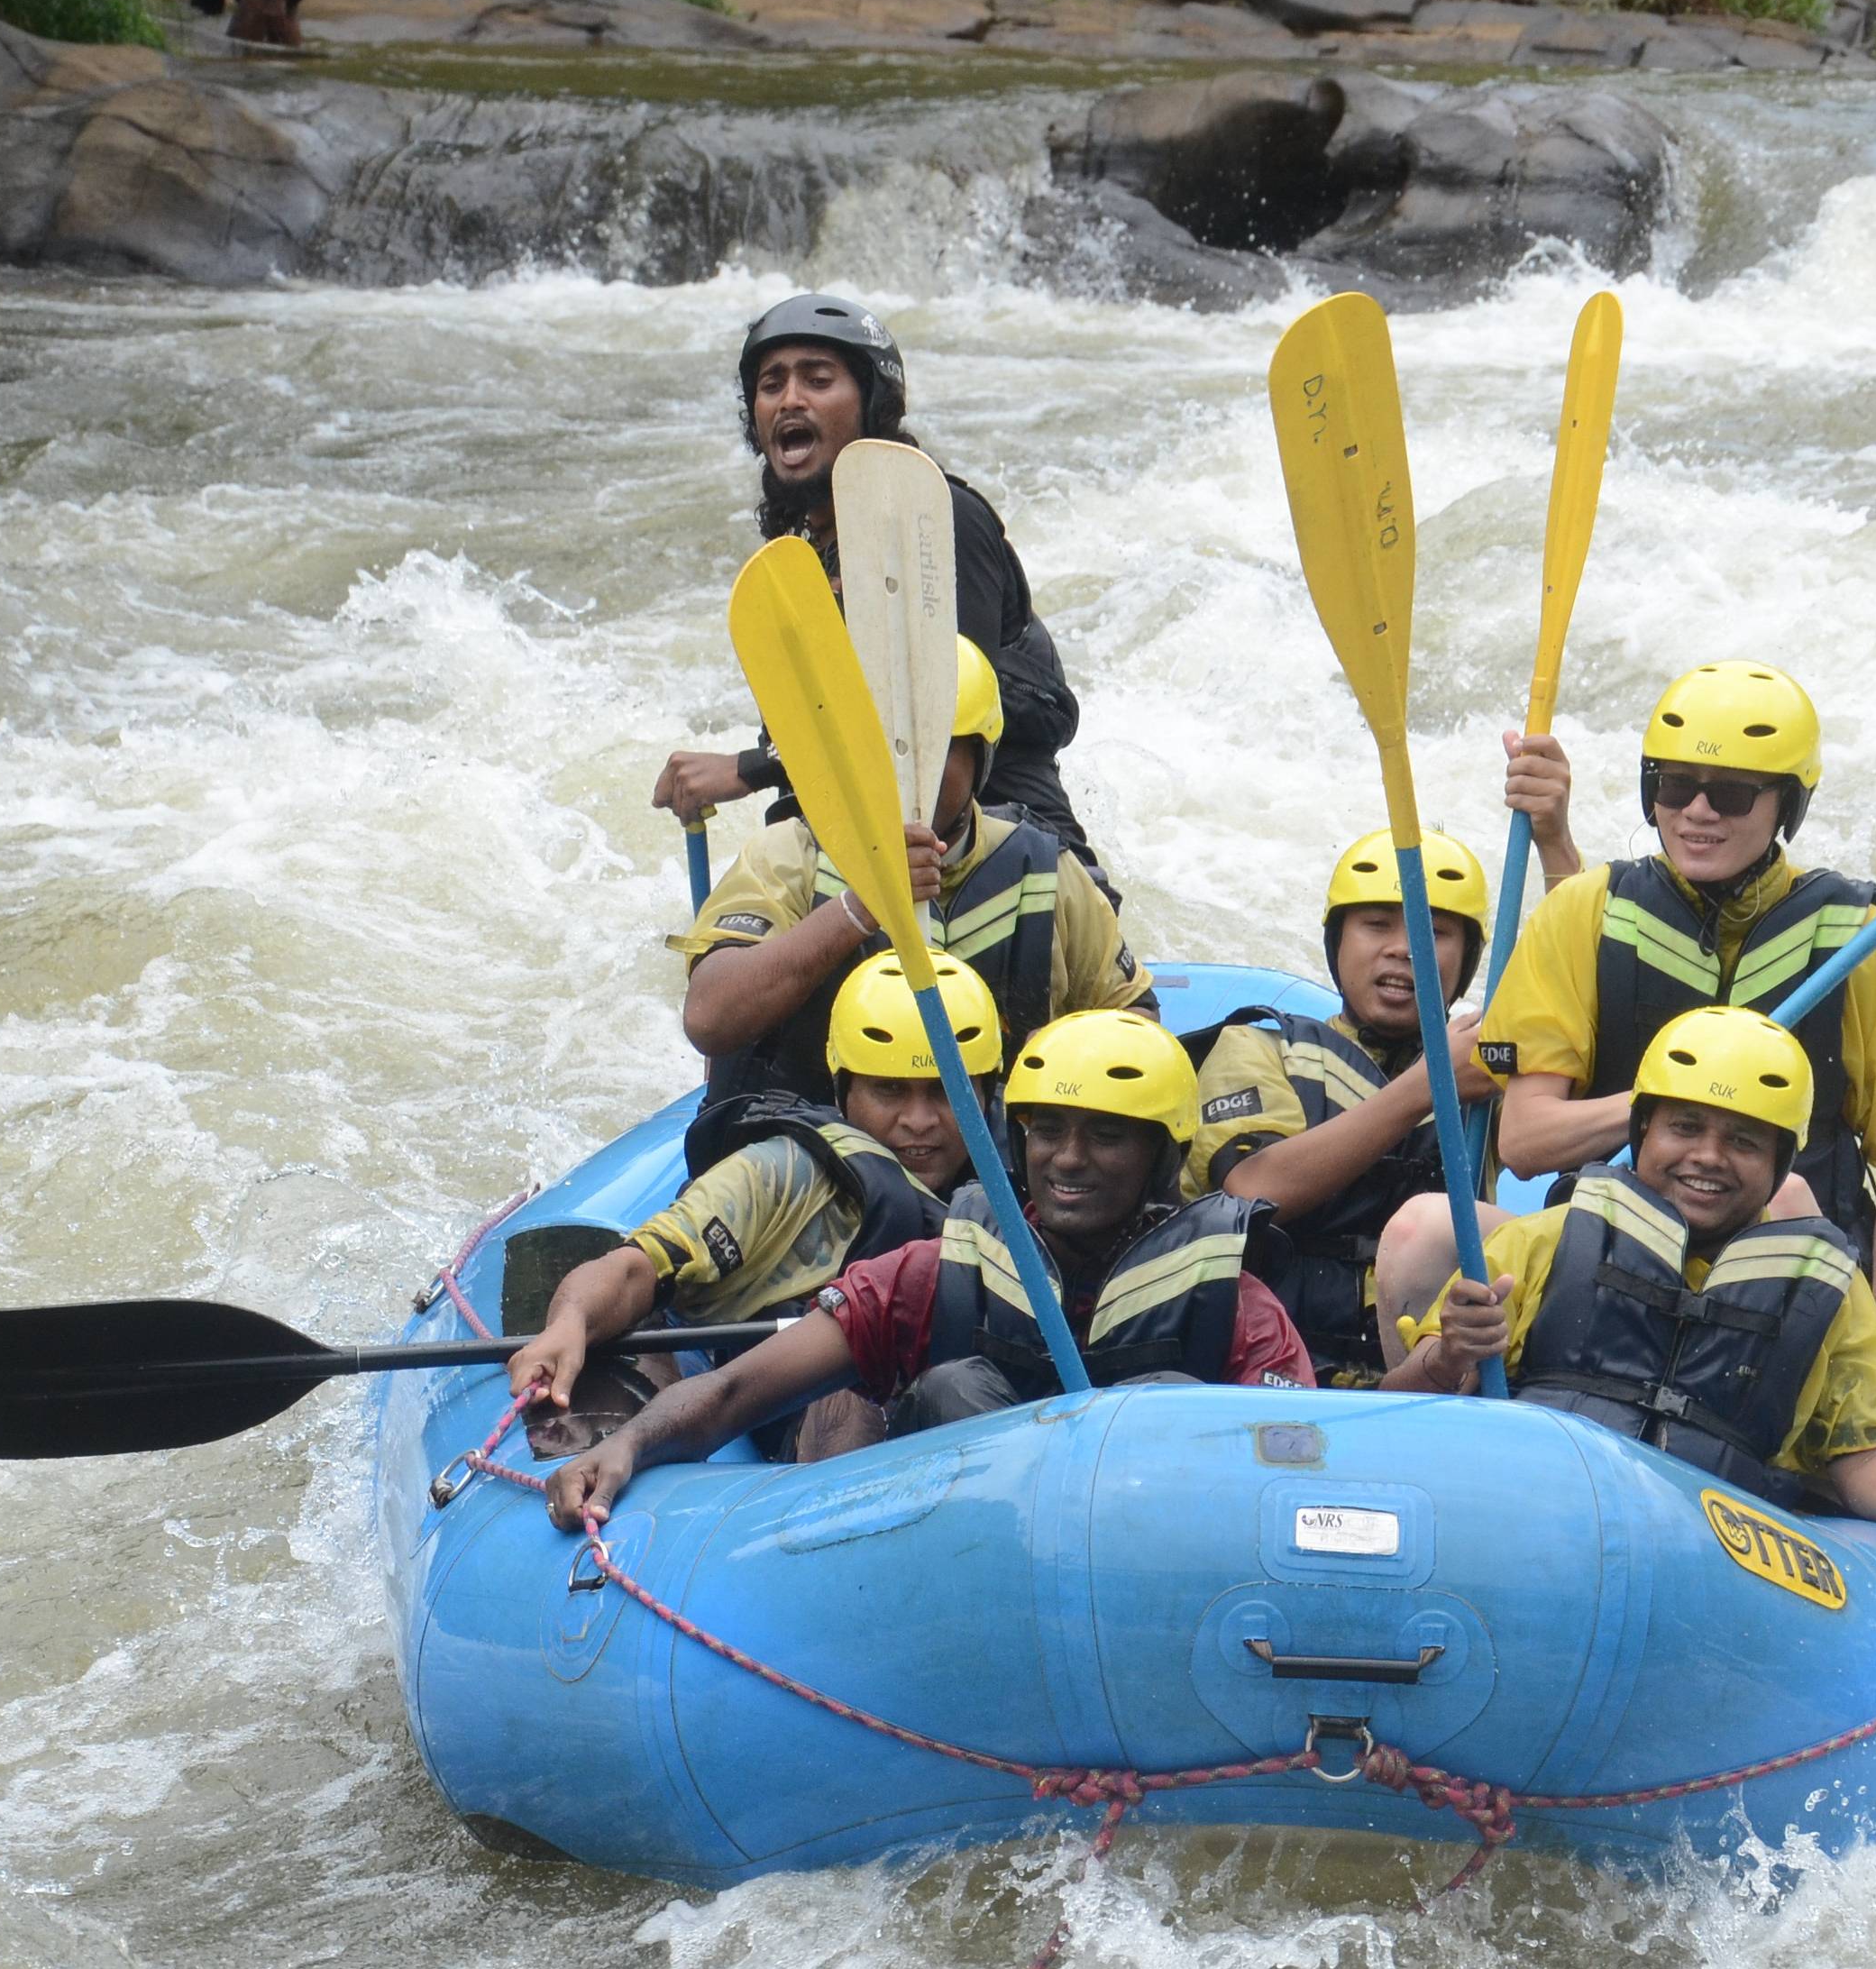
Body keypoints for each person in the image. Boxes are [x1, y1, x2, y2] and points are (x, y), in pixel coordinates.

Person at [545, 1012, 1313, 1526]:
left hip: (1145, 1574)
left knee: (1172, 1404)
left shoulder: (1232, 1303)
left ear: (1163, 1158)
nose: (1069, 1160)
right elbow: (742, 1388)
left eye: (1107, 1138)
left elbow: (1301, 1462)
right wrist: (628, 1446)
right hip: (960, 1572)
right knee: (956, 1389)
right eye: (1049, 1131)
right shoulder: (935, 1272)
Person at [1477, 661, 1876, 1450]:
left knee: (1790, 1200)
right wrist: (1680, 1099)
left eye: (1733, 793)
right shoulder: (1587, 911)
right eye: (1676, 787)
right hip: (1614, 1263)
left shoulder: (1860, 937)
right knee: (1422, 1235)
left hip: (1798, 1275)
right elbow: (1526, 1142)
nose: (1699, 812)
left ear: (1788, 805)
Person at [1391, 1009, 1876, 1611]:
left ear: (1780, 1165)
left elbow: (1863, 1457)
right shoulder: (1539, 1244)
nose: (1709, 1157)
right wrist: (1452, 1354)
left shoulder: (1827, 1295)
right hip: (1534, 1533)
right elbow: (1410, 1399)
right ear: (1642, 1133)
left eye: (1744, 1142)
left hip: (1711, 1566)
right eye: (1684, 1128)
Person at [653, 293, 1099, 866]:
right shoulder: (803, 557)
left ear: (873, 404)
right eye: (771, 385)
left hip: (1016, 874)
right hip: (871, 870)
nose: (790, 399)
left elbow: (941, 729)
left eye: (817, 380)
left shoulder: (937, 520)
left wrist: (748, 769)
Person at [505, 953, 998, 1461]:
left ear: (985, 1090)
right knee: (852, 1397)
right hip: (794, 1416)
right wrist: (570, 1323)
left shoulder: (1029, 1177)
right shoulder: (781, 1174)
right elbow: (634, 1270)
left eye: (944, 1091)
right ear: (844, 1088)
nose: (918, 1121)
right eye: (890, 1090)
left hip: (954, 1403)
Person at [674, 633, 1148, 1113]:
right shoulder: (791, 854)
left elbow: (1136, 1018)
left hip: (1000, 1161)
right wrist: (860, 910)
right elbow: (709, 1018)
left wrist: (1068, 1054)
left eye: (934, 751)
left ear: (981, 758)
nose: (904, 778)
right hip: (818, 1156)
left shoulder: (1044, 869)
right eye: (879, 750)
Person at [1182, 829, 1503, 1384]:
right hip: (1272, 1351)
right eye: (1376, 925)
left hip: (1431, 1357)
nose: (1404, 947)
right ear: (1337, 942)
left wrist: (1555, 844)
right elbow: (1256, 1191)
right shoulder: (1262, 1046)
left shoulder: (1487, 1076)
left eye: (1436, 932)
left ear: (1468, 958)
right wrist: (1430, 1085)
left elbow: (1578, 1031)